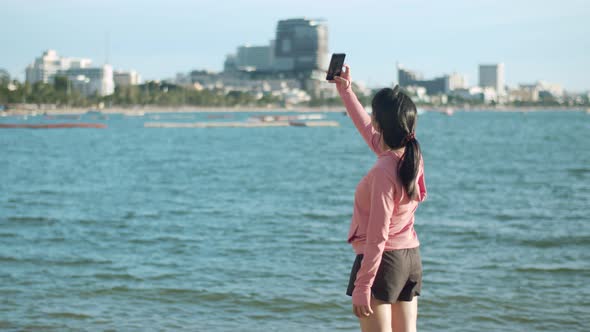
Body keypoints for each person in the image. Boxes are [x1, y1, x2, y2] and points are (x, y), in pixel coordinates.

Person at [329, 64, 427, 332]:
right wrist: (346, 92)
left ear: (380, 123)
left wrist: (363, 285)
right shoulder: (411, 155)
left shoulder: (384, 170)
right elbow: (371, 134)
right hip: (409, 257)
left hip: (384, 261)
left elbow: (378, 233)